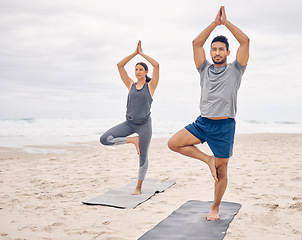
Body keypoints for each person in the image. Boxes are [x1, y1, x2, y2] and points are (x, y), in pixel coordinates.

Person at [168, 6, 249, 220]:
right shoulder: (203, 69)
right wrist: (214, 23)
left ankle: (215, 207)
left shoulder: (236, 69)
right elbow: (196, 43)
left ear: (227, 52)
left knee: (221, 174)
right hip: (202, 123)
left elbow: (245, 42)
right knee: (174, 143)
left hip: (224, 127)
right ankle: (207, 160)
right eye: (214, 49)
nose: (217, 52)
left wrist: (226, 23)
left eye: (221, 49)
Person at [100, 40, 159, 195]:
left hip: (144, 125)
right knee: (105, 139)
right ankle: (133, 140)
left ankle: (138, 187)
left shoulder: (150, 86)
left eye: (141, 69)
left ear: (146, 72)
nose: (138, 71)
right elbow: (119, 66)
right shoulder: (130, 84)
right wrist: (134, 53)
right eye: (136, 69)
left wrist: (142, 54)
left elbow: (157, 66)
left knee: (143, 156)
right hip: (129, 124)